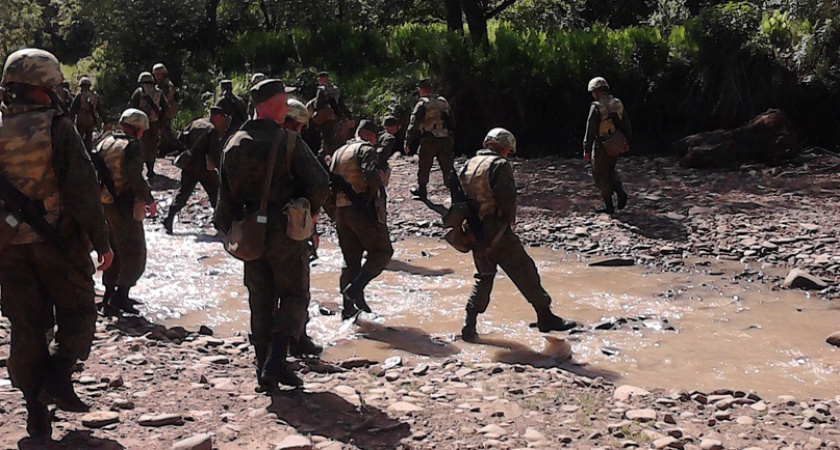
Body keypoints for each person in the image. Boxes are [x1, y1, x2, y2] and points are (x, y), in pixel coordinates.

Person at [0, 48, 113, 439]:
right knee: (79, 312)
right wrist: (102, 240)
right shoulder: (58, 127)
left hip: (9, 248)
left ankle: (35, 411)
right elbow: (82, 189)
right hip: (58, 243)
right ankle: (59, 376)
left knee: (27, 327)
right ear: (43, 87)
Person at [215, 79, 330, 390]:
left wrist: (227, 229)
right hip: (286, 232)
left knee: (260, 299)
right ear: (272, 105)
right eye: (282, 103)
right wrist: (312, 213)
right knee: (295, 294)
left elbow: (223, 196)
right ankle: (275, 362)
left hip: (250, 231)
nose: (285, 108)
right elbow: (320, 183)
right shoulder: (289, 141)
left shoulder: (233, 142)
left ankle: (263, 368)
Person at [453, 128, 577, 341]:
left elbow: (458, 198)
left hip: (473, 231)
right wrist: (509, 218)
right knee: (524, 269)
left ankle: (469, 325)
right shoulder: (500, 165)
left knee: (484, 276)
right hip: (496, 230)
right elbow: (507, 198)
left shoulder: (468, 164)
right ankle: (545, 317)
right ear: (504, 147)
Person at [93, 109, 157, 315]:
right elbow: (134, 176)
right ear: (138, 129)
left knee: (113, 251)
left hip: (104, 205)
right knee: (134, 252)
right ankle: (120, 297)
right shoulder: (132, 146)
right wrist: (149, 199)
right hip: (124, 205)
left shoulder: (105, 142)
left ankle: (108, 296)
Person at [329, 120, 393, 320]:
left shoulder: (339, 152)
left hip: (341, 211)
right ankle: (356, 288)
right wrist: (376, 188)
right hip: (361, 209)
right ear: (372, 136)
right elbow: (370, 175)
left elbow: (329, 182)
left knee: (351, 261)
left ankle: (348, 310)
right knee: (383, 251)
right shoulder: (366, 150)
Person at [280, 97, 324, 357]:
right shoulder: (294, 147)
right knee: (297, 289)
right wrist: (314, 222)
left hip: (256, 228)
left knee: (264, 289)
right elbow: (318, 185)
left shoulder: (253, 142)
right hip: (291, 228)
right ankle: (296, 341)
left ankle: (268, 346)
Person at [163, 107, 228, 234]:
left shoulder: (195, 123)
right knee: (215, 194)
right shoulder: (212, 129)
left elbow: (181, 139)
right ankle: (220, 224)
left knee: (183, 193)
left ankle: (169, 219)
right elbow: (214, 153)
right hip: (204, 168)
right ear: (217, 116)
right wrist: (220, 168)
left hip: (189, 166)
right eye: (222, 117)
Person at [583, 77, 632, 214]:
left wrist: (586, 149)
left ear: (596, 91)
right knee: (610, 169)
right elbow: (627, 124)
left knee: (600, 173)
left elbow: (591, 129)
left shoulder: (596, 106)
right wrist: (626, 142)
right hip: (616, 143)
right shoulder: (617, 103)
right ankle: (620, 192)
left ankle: (609, 206)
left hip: (602, 144)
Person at [404, 79, 455, 200]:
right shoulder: (442, 101)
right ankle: (455, 192)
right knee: (447, 165)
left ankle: (422, 191)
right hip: (445, 137)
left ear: (421, 90)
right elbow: (452, 120)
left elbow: (413, 124)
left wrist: (407, 142)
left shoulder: (422, 104)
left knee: (424, 165)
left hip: (429, 138)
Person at [128, 71, 169, 180]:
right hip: (154, 122)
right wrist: (161, 120)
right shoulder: (158, 92)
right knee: (153, 145)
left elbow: (131, 107)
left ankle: (146, 168)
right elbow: (166, 107)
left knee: (143, 145)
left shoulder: (139, 92)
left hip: (141, 123)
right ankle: (151, 168)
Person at [311, 71, 354, 161]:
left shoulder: (321, 89)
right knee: (336, 141)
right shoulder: (335, 89)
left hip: (326, 120)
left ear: (322, 79)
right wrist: (349, 117)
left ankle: (320, 162)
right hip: (336, 120)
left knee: (326, 141)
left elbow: (317, 105)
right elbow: (342, 105)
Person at [68, 77, 109, 150]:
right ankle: (89, 153)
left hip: (81, 120)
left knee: (79, 138)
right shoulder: (94, 96)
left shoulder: (79, 95)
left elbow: (73, 110)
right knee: (89, 139)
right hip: (90, 120)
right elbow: (101, 110)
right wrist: (106, 122)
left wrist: (70, 120)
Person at [153, 63, 180, 155]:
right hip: (168, 109)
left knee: (165, 131)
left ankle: (179, 147)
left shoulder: (165, 85)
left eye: (158, 74)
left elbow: (164, 98)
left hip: (167, 109)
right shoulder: (165, 84)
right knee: (163, 131)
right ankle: (163, 150)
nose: (156, 76)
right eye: (155, 74)